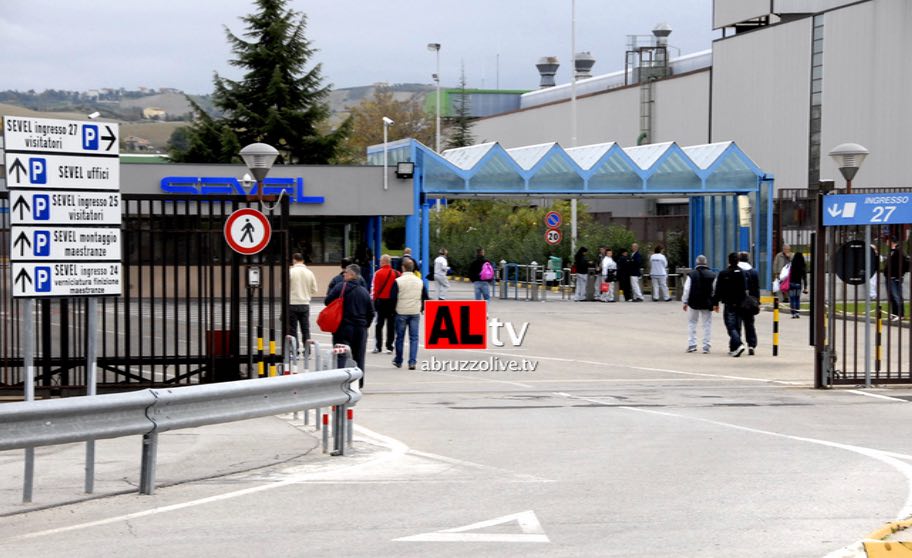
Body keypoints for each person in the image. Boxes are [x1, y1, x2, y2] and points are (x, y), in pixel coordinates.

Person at [324, 264, 375, 388]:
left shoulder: (340, 287)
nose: (343, 274)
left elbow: (327, 301)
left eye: (346, 273)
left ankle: (342, 382)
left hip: (343, 327)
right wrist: (365, 325)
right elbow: (371, 312)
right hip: (360, 329)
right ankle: (358, 382)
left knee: (341, 355)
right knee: (359, 356)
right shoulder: (364, 292)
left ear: (352, 275)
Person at [390, 258, 429, 370]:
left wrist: (393, 311)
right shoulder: (420, 281)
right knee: (414, 338)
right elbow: (425, 297)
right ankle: (412, 362)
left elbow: (393, 298)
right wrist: (421, 308)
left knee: (400, 337)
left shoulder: (398, 281)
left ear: (403, 268)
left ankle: (398, 360)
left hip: (401, 311)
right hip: (414, 312)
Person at [712, 252, 748, 357]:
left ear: (729, 261)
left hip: (729, 303)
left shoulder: (724, 273)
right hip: (740, 303)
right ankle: (733, 348)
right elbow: (744, 289)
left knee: (730, 326)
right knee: (737, 326)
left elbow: (718, 289)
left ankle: (739, 344)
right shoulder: (741, 272)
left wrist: (715, 303)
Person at [682, 255, 716, 354]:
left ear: (696, 263)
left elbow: (687, 289)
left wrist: (685, 301)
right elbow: (714, 290)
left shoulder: (691, 275)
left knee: (692, 322)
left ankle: (692, 344)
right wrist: (714, 302)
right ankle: (706, 346)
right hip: (707, 303)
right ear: (706, 263)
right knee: (707, 324)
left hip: (693, 302)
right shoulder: (712, 275)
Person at [288, 253, 318, 351]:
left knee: (292, 329)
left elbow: (283, 287)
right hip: (305, 303)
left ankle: (294, 350)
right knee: (305, 328)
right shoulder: (310, 273)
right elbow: (314, 289)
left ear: (294, 260)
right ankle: (307, 350)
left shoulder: (290, 272)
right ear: (303, 260)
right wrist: (307, 293)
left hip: (292, 303)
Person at [371, 254, 400, 354]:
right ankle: (390, 346)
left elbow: (375, 289)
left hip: (381, 302)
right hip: (392, 302)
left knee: (379, 324)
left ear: (383, 262)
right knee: (391, 325)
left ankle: (378, 346)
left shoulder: (378, 273)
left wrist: (373, 300)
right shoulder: (397, 274)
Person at [737, 252, 760, 355]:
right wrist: (757, 301)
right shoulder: (754, 272)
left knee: (737, 324)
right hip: (750, 302)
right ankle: (751, 344)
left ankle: (737, 344)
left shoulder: (737, 271)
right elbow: (757, 288)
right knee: (750, 324)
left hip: (738, 301)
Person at [887, 237, 909, 321]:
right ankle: (894, 314)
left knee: (897, 296)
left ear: (892, 242)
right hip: (890, 277)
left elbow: (905, 264)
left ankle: (900, 314)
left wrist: (899, 275)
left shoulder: (899, 251)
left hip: (895, 277)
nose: (887, 243)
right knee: (893, 296)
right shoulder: (892, 251)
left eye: (888, 241)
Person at [787, 251, 808, 318]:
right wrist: (805, 287)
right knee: (797, 298)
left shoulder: (792, 265)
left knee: (792, 298)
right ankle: (797, 313)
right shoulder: (802, 266)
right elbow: (804, 277)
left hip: (791, 284)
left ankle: (793, 313)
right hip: (798, 284)